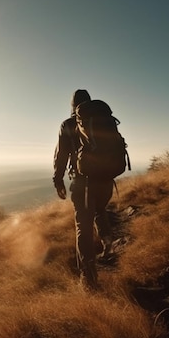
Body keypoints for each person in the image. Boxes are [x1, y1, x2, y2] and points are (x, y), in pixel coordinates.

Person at [53, 89, 114, 289]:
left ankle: (88, 278)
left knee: (83, 227)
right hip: (106, 180)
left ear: (73, 105)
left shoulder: (68, 125)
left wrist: (58, 180)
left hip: (83, 183)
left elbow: (61, 155)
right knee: (100, 209)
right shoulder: (104, 120)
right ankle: (107, 241)